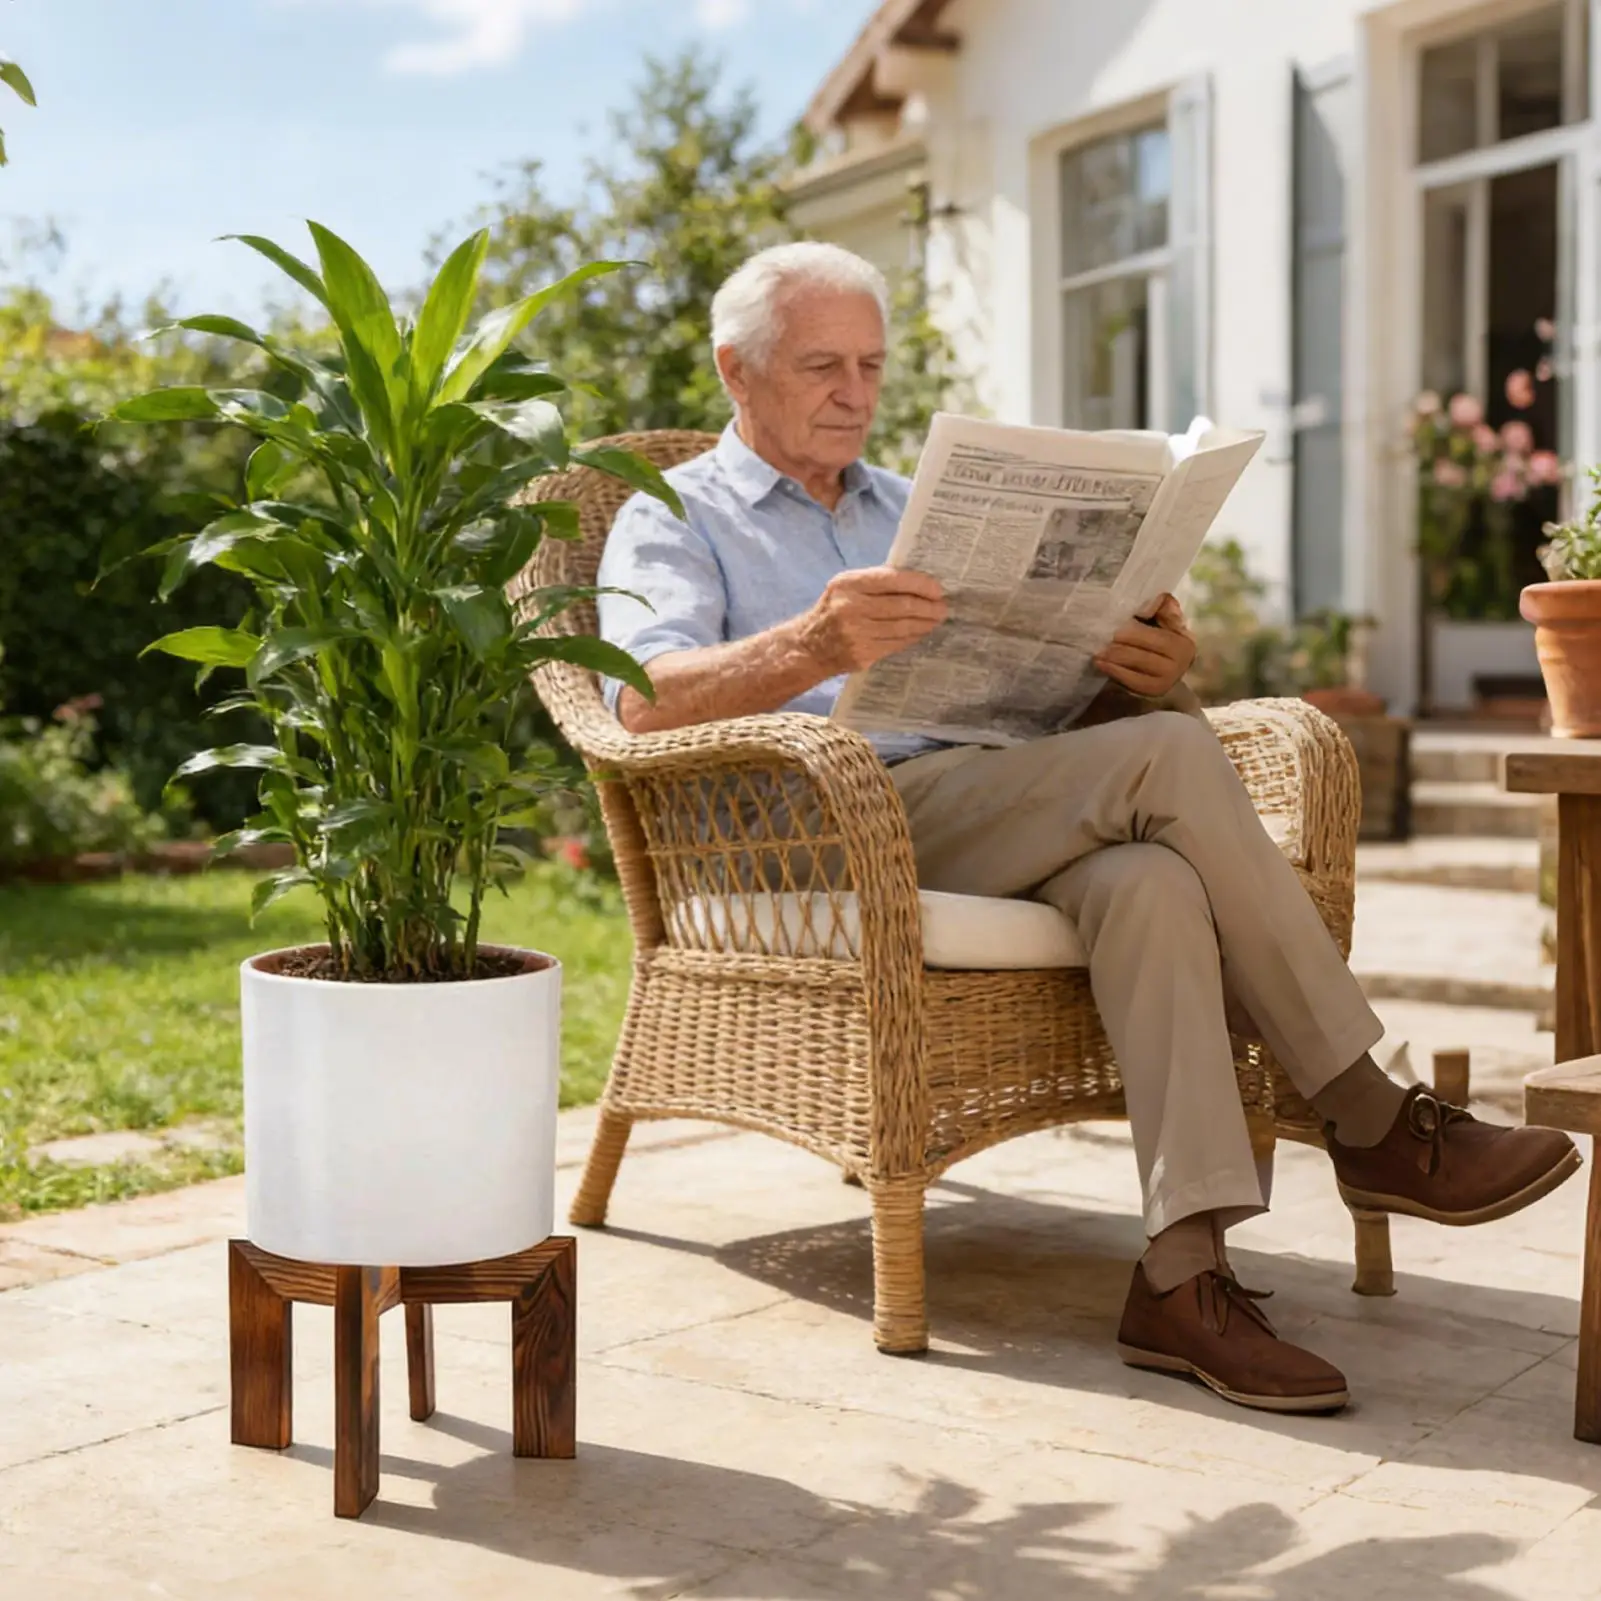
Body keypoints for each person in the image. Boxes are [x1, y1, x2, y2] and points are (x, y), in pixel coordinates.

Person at [595, 241, 1581, 1414]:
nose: (856, 393)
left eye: (868, 363)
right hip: (814, 825)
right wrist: (808, 645)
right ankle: (1366, 1112)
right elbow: (636, 698)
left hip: (982, 791)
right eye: (820, 366)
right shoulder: (676, 513)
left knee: (1147, 879)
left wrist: (1136, 669)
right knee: (1169, 754)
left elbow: (1033, 690)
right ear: (734, 372)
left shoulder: (909, 509)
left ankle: (1179, 1275)